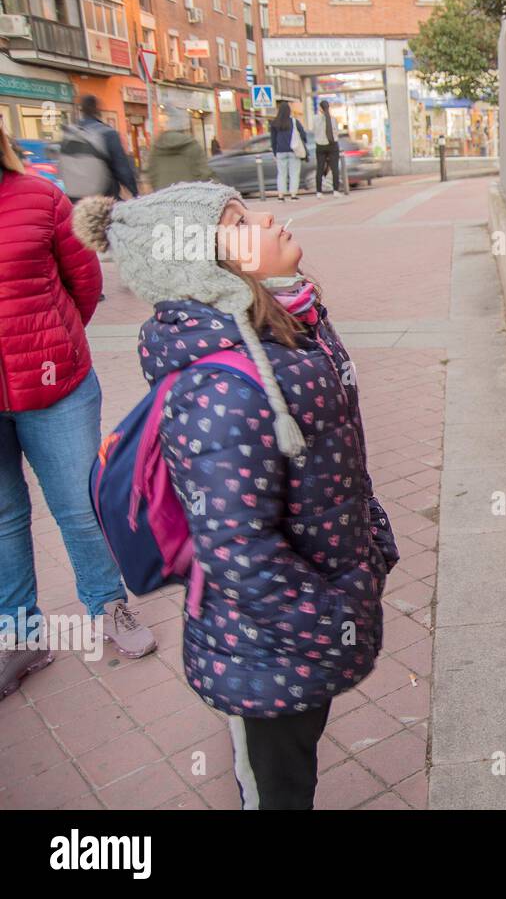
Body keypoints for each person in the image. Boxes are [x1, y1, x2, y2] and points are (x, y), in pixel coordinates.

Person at [71, 181, 398, 809]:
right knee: (277, 791)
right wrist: (334, 621)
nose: (268, 217)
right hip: (264, 650)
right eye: (239, 221)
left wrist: (370, 541)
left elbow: (335, 467)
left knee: (297, 763)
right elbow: (238, 550)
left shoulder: (289, 325)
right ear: (205, 265)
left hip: (310, 624)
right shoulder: (224, 387)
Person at [0, 119, 156, 701]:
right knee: (4, 517)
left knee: (78, 504)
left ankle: (108, 606)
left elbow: (82, 283)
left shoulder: (39, 198)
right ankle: (18, 636)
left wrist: (55, 344)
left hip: (56, 388)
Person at [59, 95, 138, 202]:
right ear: (97, 109)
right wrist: (134, 193)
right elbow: (122, 170)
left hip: (75, 200)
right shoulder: (108, 134)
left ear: (82, 110)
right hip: (103, 199)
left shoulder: (69, 135)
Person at [144, 105, 214, 192]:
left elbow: (151, 175)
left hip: (163, 197)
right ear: (183, 127)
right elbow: (204, 175)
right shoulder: (192, 145)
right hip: (189, 197)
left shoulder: (157, 146)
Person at [270, 101, 308, 202]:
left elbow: (273, 140)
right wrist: (302, 142)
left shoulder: (274, 123)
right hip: (293, 151)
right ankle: (293, 195)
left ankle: (281, 195)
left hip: (280, 152)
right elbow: (303, 134)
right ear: (289, 111)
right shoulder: (294, 122)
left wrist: (275, 153)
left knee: (281, 174)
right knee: (294, 173)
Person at [313, 100, 343, 198]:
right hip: (332, 145)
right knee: (334, 168)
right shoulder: (332, 119)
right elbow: (336, 132)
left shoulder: (316, 119)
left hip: (320, 145)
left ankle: (319, 192)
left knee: (320, 168)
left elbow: (314, 131)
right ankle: (335, 191)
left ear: (320, 108)